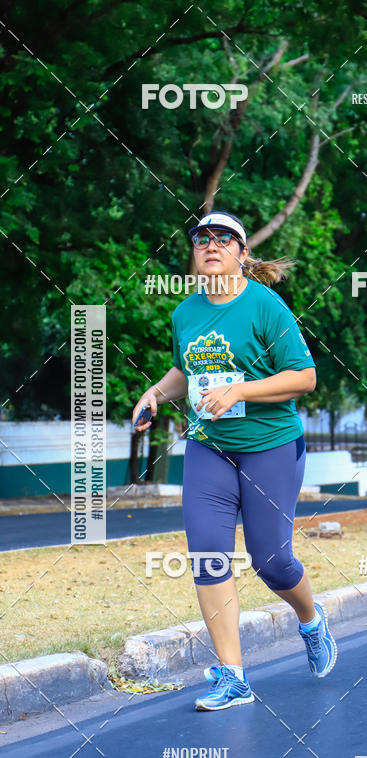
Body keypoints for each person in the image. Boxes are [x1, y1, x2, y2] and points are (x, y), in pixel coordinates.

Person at [131, 210, 337, 711]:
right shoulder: (185, 313)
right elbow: (186, 369)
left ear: (243, 254)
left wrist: (241, 389)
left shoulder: (266, 307)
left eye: (224, 238)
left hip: (270, 445)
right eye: (201, 237)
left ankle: (311, 620)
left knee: (271, 560)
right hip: (210, 446)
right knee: (207, 554)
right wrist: (156, 393)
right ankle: (233, 678)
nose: (211, 244)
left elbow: (304, 377)